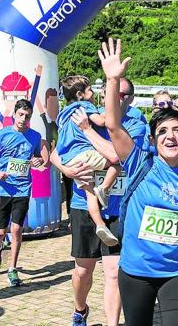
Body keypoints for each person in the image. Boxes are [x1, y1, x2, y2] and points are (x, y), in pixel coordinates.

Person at [98, 37, 178, 326]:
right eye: (163, 132)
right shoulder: (138, 163)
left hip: (175, 272)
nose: (171, 136)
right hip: (136, 272)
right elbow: (112, 124)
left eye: (177, 130)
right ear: (153, 139)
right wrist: (112, 80)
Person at [52, 76, 147, 326]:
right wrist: (68, 171)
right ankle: (80, 308)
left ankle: (112, 323)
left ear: (131, 98)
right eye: (113, 92)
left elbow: (117, 155)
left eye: (124, 94)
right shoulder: (83, 113)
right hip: (83, 205)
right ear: (104, 93)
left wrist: (87, 130)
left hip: (118, 208)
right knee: (83, 271)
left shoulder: (136, 126)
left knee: (114, 273)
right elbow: (54, 152)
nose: (118, 97)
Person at [56, 75, 121, 246]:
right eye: (90, 89)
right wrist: (108, 111)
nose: (93, 93)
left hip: (71, 160)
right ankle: (104, 188)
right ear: (80, 94)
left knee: (89, 194)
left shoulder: (63, 115)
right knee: (118, 161)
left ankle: (100, 225)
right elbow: (102, 120)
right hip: (86, 154)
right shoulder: (83, 106)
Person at [0, 99, 43, 287]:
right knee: (0, 231)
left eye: (27, 116)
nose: (23, 119)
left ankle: (13, 269)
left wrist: (37, 161)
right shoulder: (2, 134)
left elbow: (38, 158)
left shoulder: (35, 136)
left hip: (23, 188)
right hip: (2, 189)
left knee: (17, 229)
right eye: (20, 115)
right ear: (14, 115)